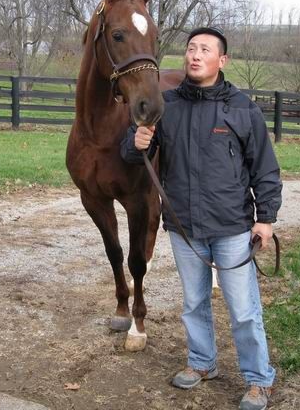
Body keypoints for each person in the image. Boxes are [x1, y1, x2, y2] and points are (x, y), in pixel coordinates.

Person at [120, 27, 282, 410]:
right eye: (191, 48)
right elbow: (135, 151)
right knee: (193, 302)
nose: (194, 55)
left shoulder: (242, 108)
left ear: (222, 60)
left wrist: (266, 218)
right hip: (184, 226)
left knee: (243, 310)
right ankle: (202, 362)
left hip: (231, 227)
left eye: (204, 50)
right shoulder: (167, 104)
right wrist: (136, 142)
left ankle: (259, 379)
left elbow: (265, 169)